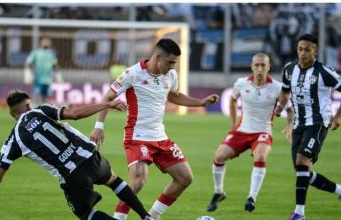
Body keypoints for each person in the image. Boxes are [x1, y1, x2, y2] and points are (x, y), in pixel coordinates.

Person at [0, 90, 154, 220]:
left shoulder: (14, 139)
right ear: (28, 104)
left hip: (73, 176)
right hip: (92, 158)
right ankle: (146, 215)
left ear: (12, 113)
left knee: (86, 215)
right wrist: (106, 104)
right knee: (114, 181)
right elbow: (74, 114)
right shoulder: (42, 109)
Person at [90, 38, 219, 220]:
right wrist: (99, 126)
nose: (173, 67)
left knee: (185, 178)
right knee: (138, 181)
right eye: (171, 62)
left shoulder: (170, 75)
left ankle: (154, 215)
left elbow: (173, 96)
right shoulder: (133, 73)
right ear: (158, 57)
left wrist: (200, 102)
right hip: (137, 137)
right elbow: (108, 97)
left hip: (160, 137)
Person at [206, 53, 294, 213]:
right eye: (257, 65)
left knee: (260, 155)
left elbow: (290, 109)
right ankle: (219, 192)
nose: (260, 69)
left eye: (263, 65)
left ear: (269, 67)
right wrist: (232, 125)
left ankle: (251, 197)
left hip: (263, 131)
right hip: (242, 130)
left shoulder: (277, 87)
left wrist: (289, 126)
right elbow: (232, 100)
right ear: (252, 67)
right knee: (219, 156)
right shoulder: (241, 84)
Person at [275, 34, 341, 220]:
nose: (303, 53)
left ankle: (299, 214)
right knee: (302, 172)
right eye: (300, 49)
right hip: (299, 124)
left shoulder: (323, 72)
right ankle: (339, 190)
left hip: (319, 123)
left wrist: (337, 117)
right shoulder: (289, 70)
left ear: (315, 51)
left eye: (307, 50)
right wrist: (280, 110)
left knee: (303, 160)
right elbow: (285, 93)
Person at [24, 37, 59, 105]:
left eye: (48, 42)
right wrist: (27, 74)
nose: (46, 43)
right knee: (37, 96)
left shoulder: (51, 53)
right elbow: (28, 63)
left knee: (45, 98)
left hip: (48, 79)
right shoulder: (36, 52)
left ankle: (44, 112)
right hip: (38, 79)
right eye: (44, 41)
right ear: (41, 43)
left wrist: (58, 76)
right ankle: (35, 111)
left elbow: (55, 65)